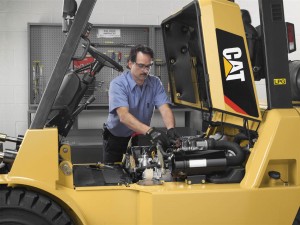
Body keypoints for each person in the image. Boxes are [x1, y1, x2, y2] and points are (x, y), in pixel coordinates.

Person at [102, 44, 179, 163]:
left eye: (148, 66)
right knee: (112, 175)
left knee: (141, 173)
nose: (145, 70)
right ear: (130, 63)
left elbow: (164, 108)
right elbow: (124, 116)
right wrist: (151, 131)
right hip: (116, 140)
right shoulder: (118, 84)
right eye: (141, 66)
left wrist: (171, 129)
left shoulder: (155, 83)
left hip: (140, 136)